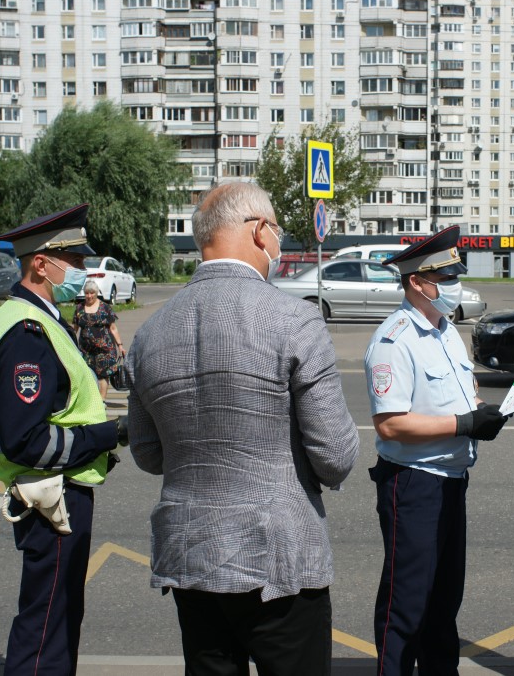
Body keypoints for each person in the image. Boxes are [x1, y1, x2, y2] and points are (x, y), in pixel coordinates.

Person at [126, 182, 359, 676]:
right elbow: (335, 454)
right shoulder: (294, 319)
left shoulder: (149, 333)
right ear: (257, 231)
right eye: (277, 231)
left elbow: (148, 453)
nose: (279, 244)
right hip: (278, 564)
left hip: (193, 556)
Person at [0, 204, 127, 676]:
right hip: (52, 500)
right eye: (73, 260)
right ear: (40, 264)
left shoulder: (43, 317)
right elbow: (27, 439)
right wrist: (108, 434)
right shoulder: (26, 331)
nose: (83, 271)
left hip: (60, 494)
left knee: (60, 616)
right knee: (44, 628)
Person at [364, 226, 509, 676]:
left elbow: (460, 394)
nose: (454, 286)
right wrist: (464, 424)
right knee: (406, 602)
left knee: (444, 600)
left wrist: (481, 412)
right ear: (416, 282)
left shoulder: (445, 331)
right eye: (445, 279)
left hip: (451, 479)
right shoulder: (395, 340)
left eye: (453, 277)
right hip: (414, 483)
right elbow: (391, 423)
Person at [72, 279, 124, 400]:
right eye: (87, 293)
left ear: (97, 293)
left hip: (104, 349)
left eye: (92, 293)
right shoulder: (79, 308)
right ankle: (92, 400)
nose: (89, 296)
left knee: (103, 375)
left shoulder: (105, 308)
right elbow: (74, 329)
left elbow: (113, 328)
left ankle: (102, 401)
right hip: (86, 350)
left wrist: (120, 345)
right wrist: (70, 343)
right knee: (88, 375)